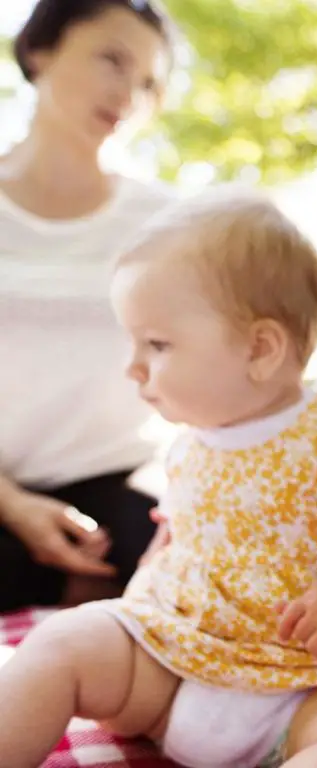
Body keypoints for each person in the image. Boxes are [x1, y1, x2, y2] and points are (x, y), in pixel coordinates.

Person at [0, 189, 317, 768]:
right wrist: (144, 588)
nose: (133, 367)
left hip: (312, 682)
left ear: (260, 349)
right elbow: (180, 532)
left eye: (156, 344)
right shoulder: (190, 441)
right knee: (63, 643)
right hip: (175, 669)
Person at [0, 0, 178, 611]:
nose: (128, 92)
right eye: (112, 60)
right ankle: (71, 586)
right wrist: (15, 507)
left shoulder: (164, 221)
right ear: (40, 49)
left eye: (149, 82)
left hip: (119, 488)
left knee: (175, 552)